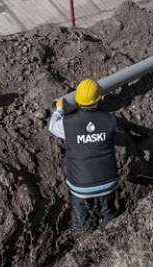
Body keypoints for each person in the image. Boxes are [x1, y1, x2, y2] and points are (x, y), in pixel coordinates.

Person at [49, 78, 119, 240]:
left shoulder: (68, 123)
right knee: (108, 211)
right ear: (100, 99)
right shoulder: (111, 120)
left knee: (81, 217)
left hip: (81, 186)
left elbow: (52, 126)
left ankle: (83, 246)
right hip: (108, 182)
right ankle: (113, 238)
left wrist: (59, 110)